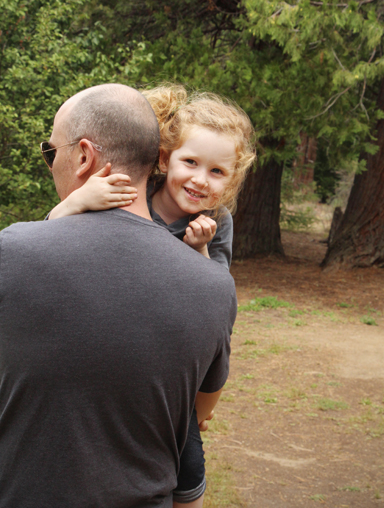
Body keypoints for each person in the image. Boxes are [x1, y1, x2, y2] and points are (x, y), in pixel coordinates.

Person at [0, 83, 237, 508]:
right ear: (160, 161)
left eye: (50, 152)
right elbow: (203, 407)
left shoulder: (12, 253)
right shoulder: (214, 288)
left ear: (86, 156)